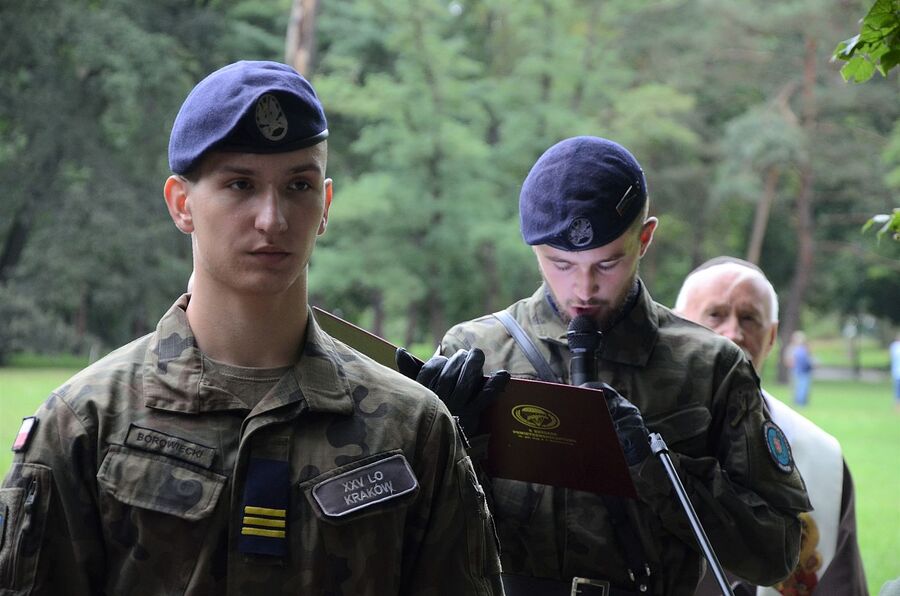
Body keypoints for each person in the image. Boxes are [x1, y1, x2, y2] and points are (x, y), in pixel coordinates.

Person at [0, 60, 504, 595]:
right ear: (181, 204)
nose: (273, 218)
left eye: (298, 185)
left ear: (326, 205)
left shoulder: (412, 427)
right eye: (240, 184)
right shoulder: (86, 423)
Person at [399, 136, 811, 596]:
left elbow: (776, 554)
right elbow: (407, 535)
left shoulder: (711, 367)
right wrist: (442, 452)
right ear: (533, 249)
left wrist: (653, 466)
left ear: (646, 238)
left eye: (608, 263)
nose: (584, 287)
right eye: (560, 264)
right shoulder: (475, 350)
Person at [675, 256, 868, 596]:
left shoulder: (822, 457)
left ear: (772, 336)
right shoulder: (630, 435)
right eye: (715, 315)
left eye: (749, 318)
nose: (733, 333)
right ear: (676, 326)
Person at [785, 330, 814, 406]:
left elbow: (809, 358)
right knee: (796, 387)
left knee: (804, 387)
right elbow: (788, 360)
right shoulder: (791, 348)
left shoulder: (804, 348)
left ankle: (803, 401)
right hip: (795, 371)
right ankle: (797, 402)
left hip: (804, 371)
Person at [890, 332, 900, 411]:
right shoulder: (895, 347)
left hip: (896, 373)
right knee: (897, 392)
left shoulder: (893, 347)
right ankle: (897, 408)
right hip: (897, 373)